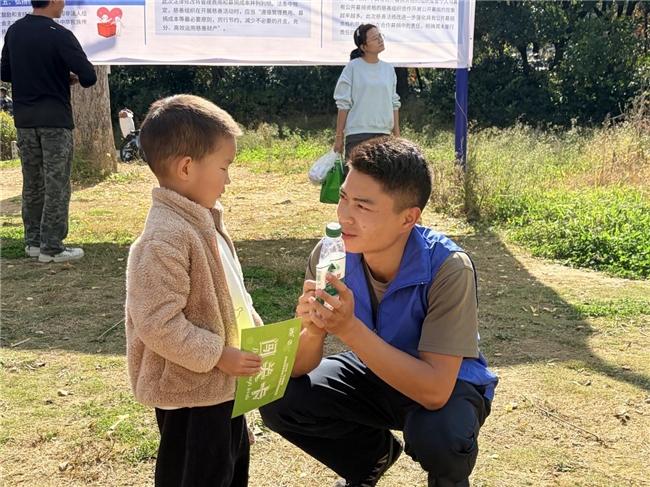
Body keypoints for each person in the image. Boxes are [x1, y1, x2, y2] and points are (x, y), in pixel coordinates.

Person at [260, 137, 499, 487]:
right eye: (343, 197)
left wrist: (349, 329)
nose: (344, 216)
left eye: (363, 206)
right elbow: (298, 367)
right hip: (373, 371)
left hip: (445, 383)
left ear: (408, 218)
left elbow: (435, 391)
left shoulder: (448, 268)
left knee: (440, 435)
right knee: (279, 395)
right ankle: (372, 459)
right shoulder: (331, 255)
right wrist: (314, 329)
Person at [125, 94, 264, 487]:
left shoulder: (204, 222)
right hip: (190, 396)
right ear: (186, 168)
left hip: (221, 388)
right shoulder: (165, 238)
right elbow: (156, 322)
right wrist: (218, 355)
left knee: (230, 470)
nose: (228, 179)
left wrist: (254, 332)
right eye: (224, 167)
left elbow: (232, 294)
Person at [0, 0, 97, 263]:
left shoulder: (15, 30)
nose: (64, 4)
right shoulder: (60, 34)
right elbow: (88, 76)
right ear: (53, 1)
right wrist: (64, 76)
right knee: (57, 183)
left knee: (32, 182)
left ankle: (33, 242)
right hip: (54, 120)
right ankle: (52, 247)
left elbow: (6, 72)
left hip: (24, 120)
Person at [332, 24, 401, 162]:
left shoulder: (388, 69)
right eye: (375, 38)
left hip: (383, 135)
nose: (380, 40)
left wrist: (397, 137)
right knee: (356, 175)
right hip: (357, 134)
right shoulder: (352, 67)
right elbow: (343, 104)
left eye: (380, 36)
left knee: (381, 176)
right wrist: (339, 137)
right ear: (364, 47)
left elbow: (394, 104)